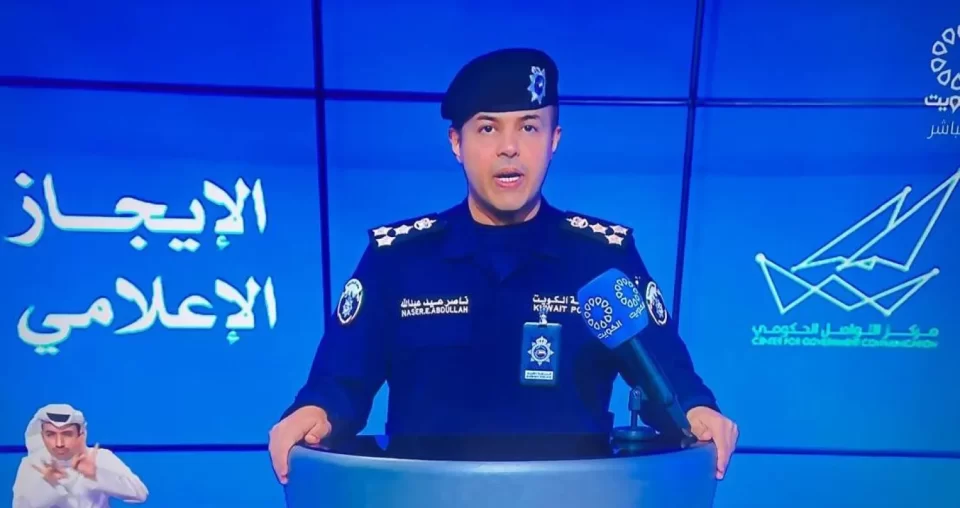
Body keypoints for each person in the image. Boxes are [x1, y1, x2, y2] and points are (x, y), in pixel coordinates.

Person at [270, 48, 738, 483]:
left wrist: (696, 411)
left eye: (529, 127)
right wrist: (315, 413)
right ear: (456, 142)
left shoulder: (602, 257)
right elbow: (339, 385)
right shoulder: (398, 259)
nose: (509, 148)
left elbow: (666, 380)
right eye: (488, 129)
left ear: (554, 140)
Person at [12, 403, 149, 508]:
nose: (59, 443)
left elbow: (140, 494)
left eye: (67, 434)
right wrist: (49, 485)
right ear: (42, 436)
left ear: (81, 434)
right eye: (50, 434)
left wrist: (96, 475)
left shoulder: (99, 457)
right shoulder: (32, 464)